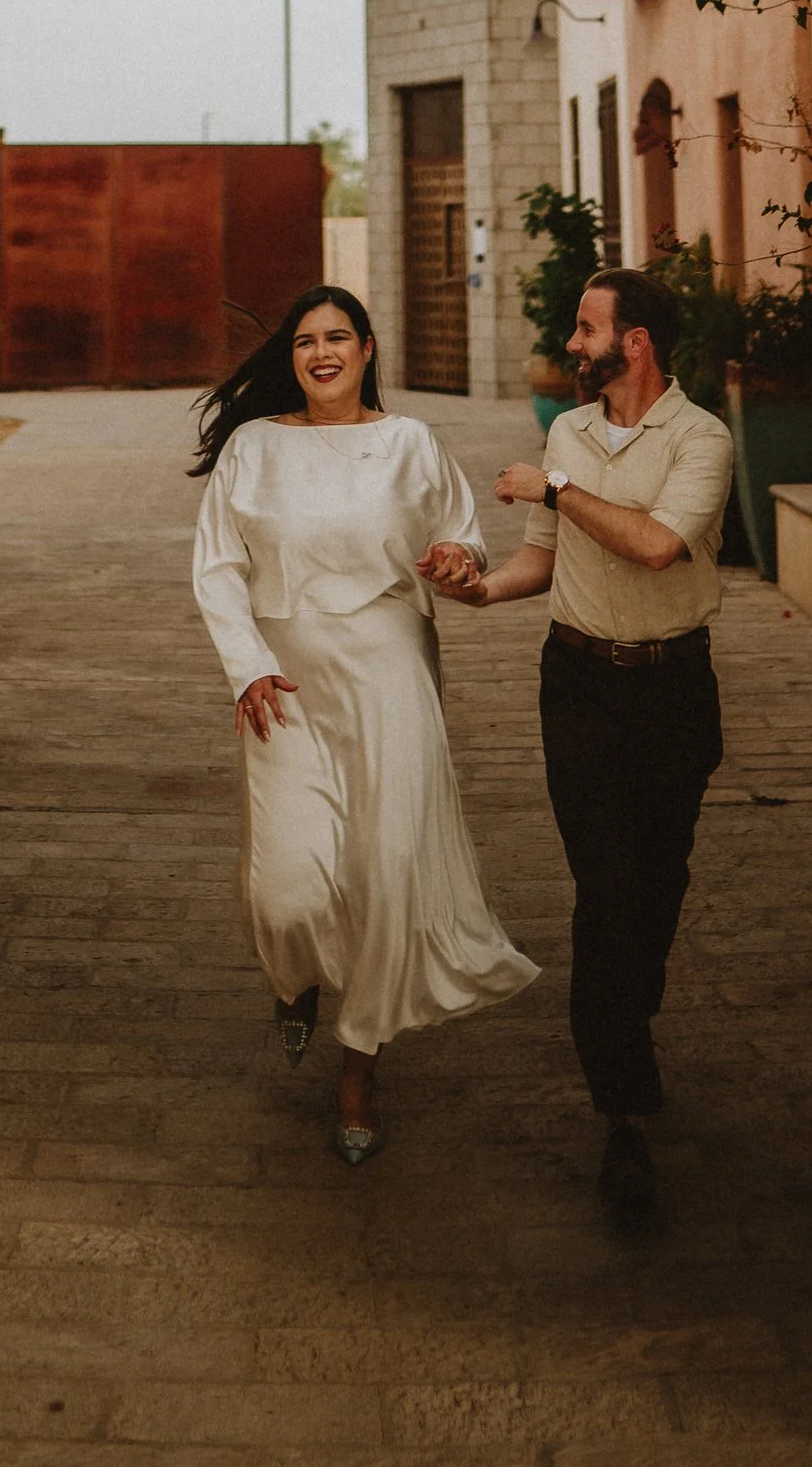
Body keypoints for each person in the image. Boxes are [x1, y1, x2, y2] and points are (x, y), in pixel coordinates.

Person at [189, 284, 537, 1163]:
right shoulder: (253, 448)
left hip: (389, 673)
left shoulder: (410, 442)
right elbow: (218, 566)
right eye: (305, 341)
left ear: (369, 348)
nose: (321, 353)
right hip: (286, 681)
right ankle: (296, 975)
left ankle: (359, 1071)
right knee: (288, 886)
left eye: (337, 336)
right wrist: (247, 664)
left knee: (387, 875)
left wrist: (461, 558)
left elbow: (461, 538)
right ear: (292, 359)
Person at [430, 263, 735, 1216]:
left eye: (586, 327)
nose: (573, 342)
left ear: (633, 344)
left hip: (674, 690)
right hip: (578, 689)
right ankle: (623, 1108)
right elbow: (540, 557)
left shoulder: (702, 439)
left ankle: (624, 1025)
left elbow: (654, 546)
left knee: (659, 882)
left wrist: (558, 488)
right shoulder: (565, 431)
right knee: (606, 887)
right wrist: (480, 590)